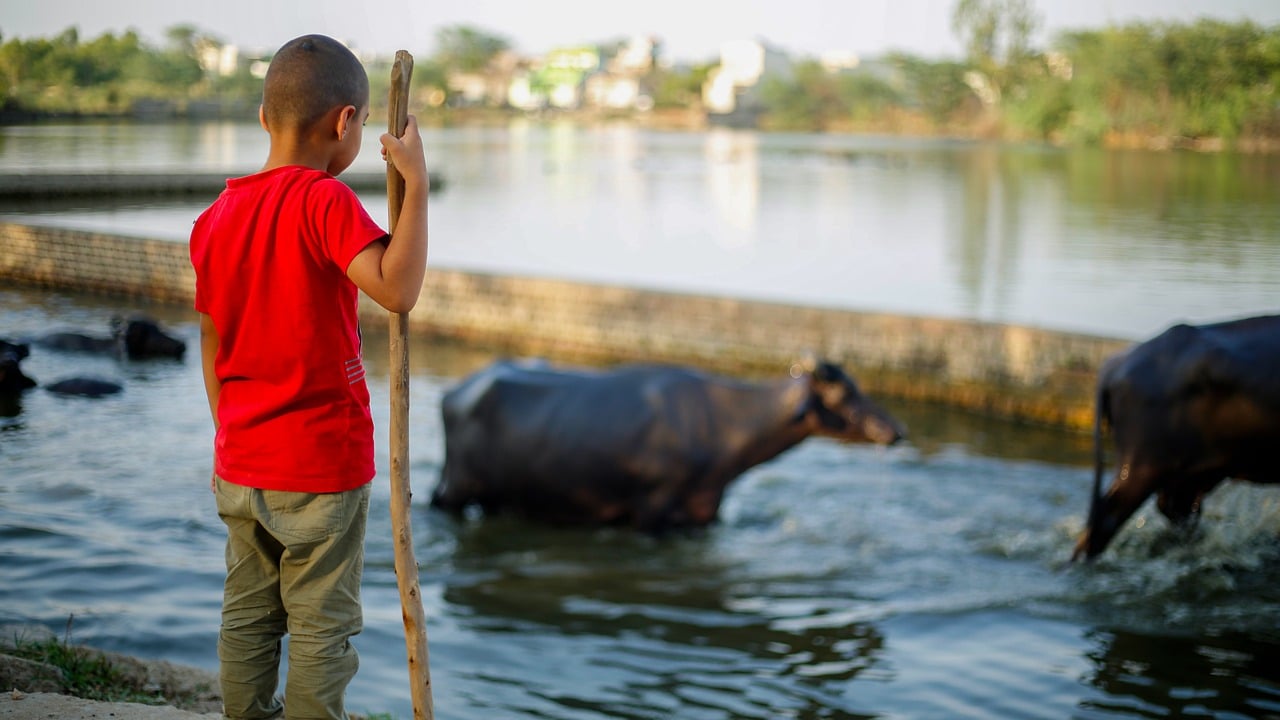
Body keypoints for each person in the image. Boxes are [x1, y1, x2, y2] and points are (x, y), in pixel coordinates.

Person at [189, 33, 429, 720]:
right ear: (347, 123)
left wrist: (231, 432)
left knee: (248, 617)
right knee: (321, 630)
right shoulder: (323, 202)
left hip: (241, 463)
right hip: (319, 468)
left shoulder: (215, 218)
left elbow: (212, 340)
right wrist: (417, 185)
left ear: (264, 118)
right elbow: (396, 287)